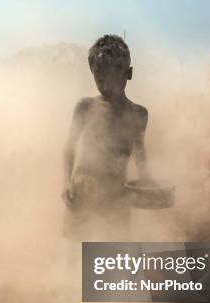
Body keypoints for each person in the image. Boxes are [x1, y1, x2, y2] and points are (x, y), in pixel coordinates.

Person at [62, 34, 151, 239]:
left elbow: (139, 151)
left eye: (112, 75)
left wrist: (147, 179)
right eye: (99, 76)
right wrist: (66, 181)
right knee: (74, 251)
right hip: (83, 191)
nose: (105, 83)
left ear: (128, 73)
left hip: (117, 195)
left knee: (113, 253)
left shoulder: (139, 114)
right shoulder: (85, 107)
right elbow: (69, 147)